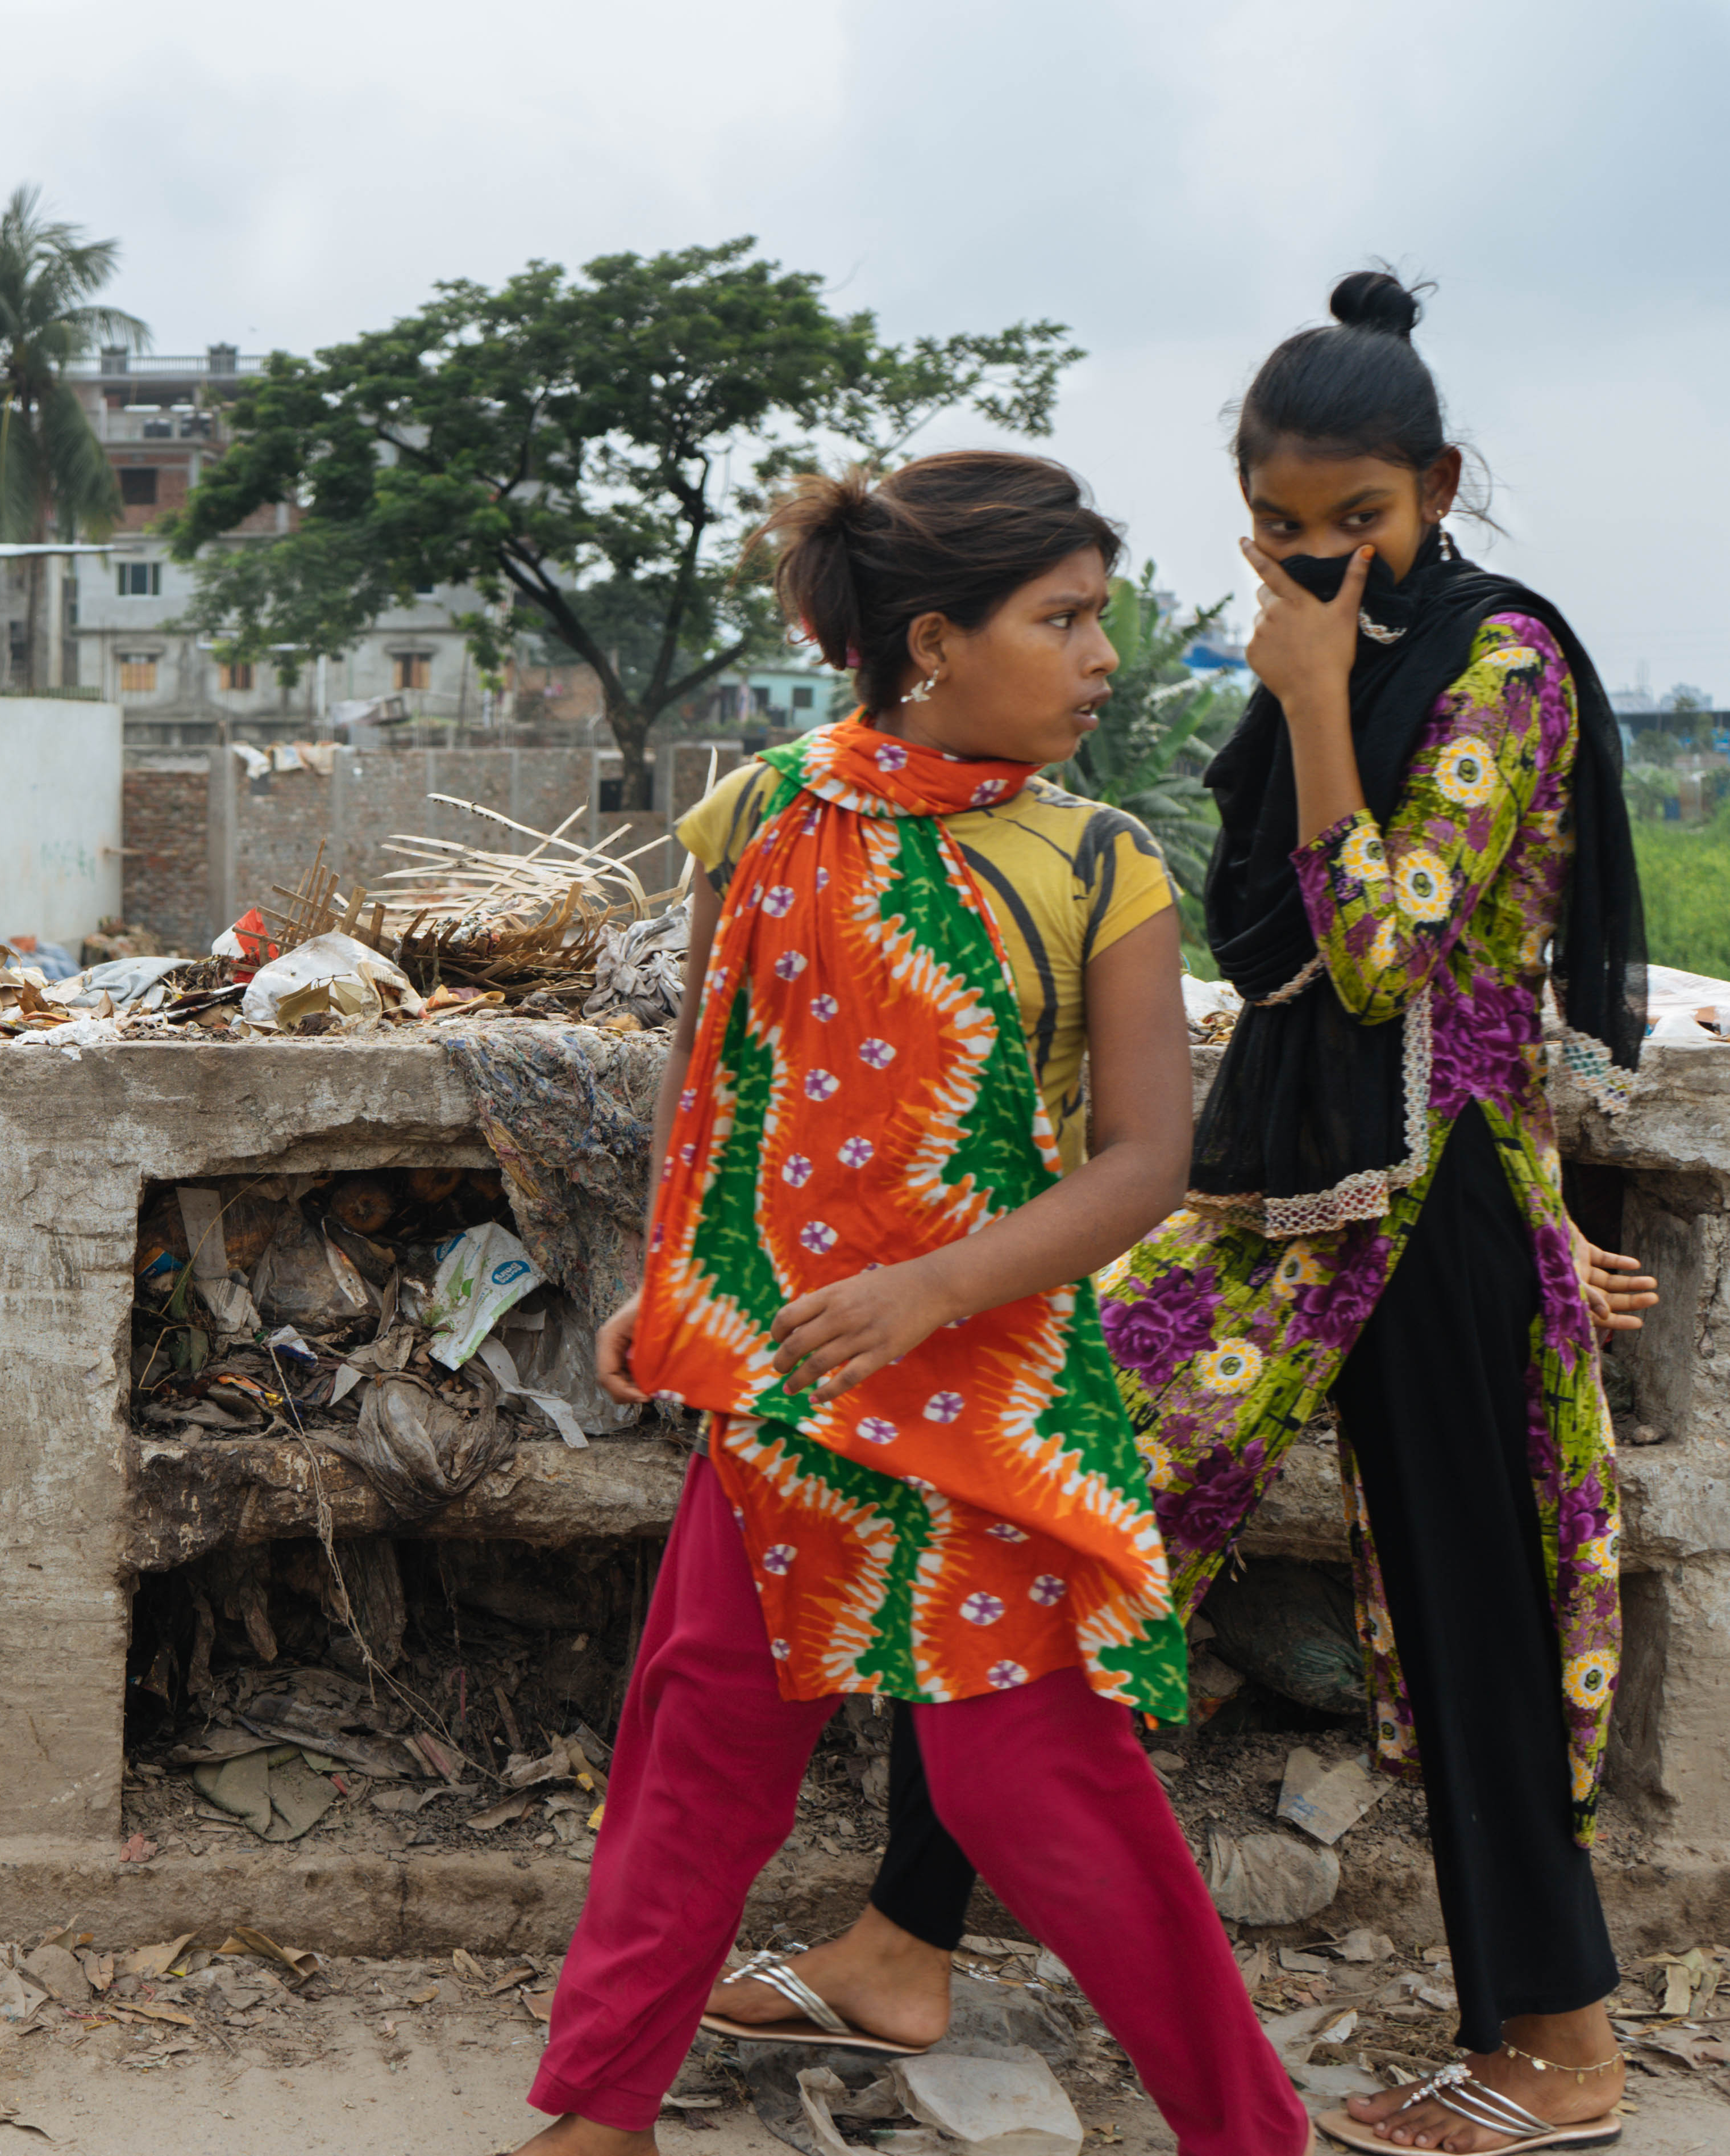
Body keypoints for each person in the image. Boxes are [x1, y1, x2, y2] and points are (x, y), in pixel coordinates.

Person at [701, 273, 1651, 2156]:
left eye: (1356, 524)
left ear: (1435, 484)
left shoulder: (1497, 665)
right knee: (1040, 1515)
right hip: (1283, 1188)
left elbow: (1380, 952)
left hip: (1435, 1190)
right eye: (1284, 529)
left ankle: (1557, 2044)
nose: (1320, 561)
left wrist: (1306, 700)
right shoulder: (1344, 644)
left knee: (1474, 1598)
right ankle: (906, 1937)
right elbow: (1257, 939)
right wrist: (1305, 687)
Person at [512, 449, 1307, 2156]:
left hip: (981, 1394)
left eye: (1100, 618)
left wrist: (923, 1290)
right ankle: (598, 2117)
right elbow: (711, 1064)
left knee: (1042, 1790)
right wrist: (667, 1272)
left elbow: (1144, 1160)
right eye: (1065, 619)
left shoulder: (1100, 865)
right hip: (779, 1381)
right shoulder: (763, 812)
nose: (1104, 656)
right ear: (932, 642)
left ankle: (1248, 2133)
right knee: (696, 1742)